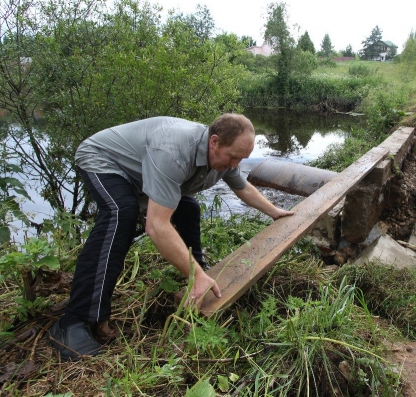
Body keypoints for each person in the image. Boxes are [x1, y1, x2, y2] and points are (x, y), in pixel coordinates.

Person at [48, 114, 294, 361]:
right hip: (104, 160)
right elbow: (156, 226)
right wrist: (195, 274)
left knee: (188, 208)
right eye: (233, 157)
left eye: (241, 159)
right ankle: (73, 321)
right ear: (214, 141)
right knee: (120, 213)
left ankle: (197, 278)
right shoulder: (174, 151)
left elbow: (243, 187)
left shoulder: (225, 156)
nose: (234, 165)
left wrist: (275, 212)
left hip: (141, 170)